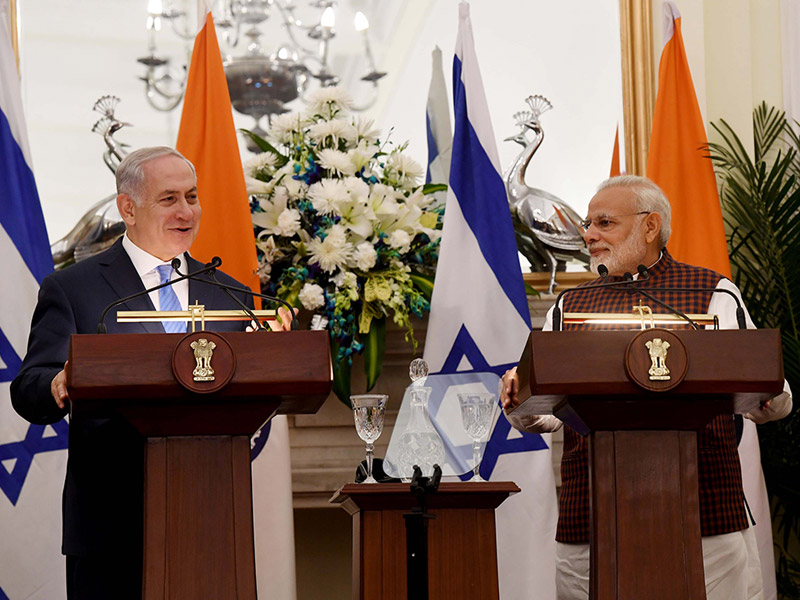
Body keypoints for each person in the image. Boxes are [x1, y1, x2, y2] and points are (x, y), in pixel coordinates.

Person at [10, 146, 292, 599]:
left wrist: (274, 355)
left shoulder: (230, 295)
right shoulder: (72, 288)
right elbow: (27, 390)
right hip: (109, 530)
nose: (186, 211)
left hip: (212, 523)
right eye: (169, 199)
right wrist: (58, 382)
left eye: (193, 197)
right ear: (128, 208)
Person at [500, 175, 792, 600]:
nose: (588, 235)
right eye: (587, 223)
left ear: (650, 226)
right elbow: (545, 412)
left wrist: (765, 396)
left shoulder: (712, 293)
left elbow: (773, 394)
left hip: (705, 517)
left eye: (603, 223)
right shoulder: (569, 305)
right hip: (592, 521)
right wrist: (518, 398)